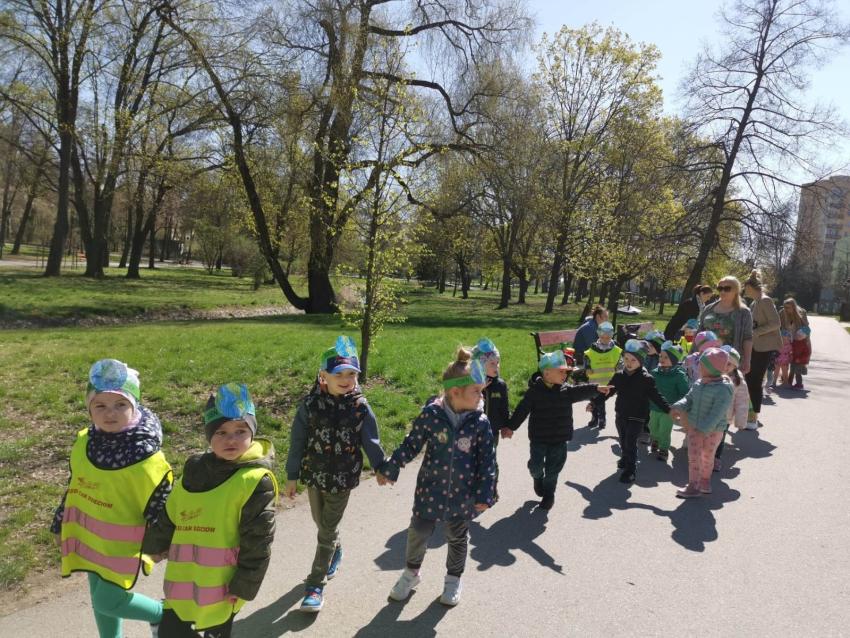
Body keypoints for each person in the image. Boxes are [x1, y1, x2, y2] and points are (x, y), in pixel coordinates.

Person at [143, 383, 277, 637]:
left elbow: (258, 541)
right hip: (185, 577)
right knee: (170, 633)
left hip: (224, 585)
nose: (231, 439)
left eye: (240, 431)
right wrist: (153, 547)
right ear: (208, 435)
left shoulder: (256, 482)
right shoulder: (195, 472)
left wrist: (244, 585)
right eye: (221, 432)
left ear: (252, 432)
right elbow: (172, 513)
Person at [54, 359, 172, 638]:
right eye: (100, 405)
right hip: (91, 538)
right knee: (98, 595)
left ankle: (165, 615)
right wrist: (60, 522)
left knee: (107, 601)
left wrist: (161, 544)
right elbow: (75, 485)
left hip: (123, 545)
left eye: (120, 404)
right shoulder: (86, 441)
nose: (110, 413)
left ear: (134, 406)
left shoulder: (144, 455)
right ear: (89, 409)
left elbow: (162, 500)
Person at [378, 347, 495, 607]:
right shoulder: (431, 415)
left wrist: (486, 492)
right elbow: (411, 444)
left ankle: (453, 579)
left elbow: (487, 461)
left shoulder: (480, 422)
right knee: (418, 531)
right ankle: (411, 573)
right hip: (430, 490)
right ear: (455, 392)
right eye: (476, 390)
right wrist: (392, 466)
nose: (481, 396)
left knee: (457, 536)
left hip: (463, 493)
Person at [285, 336, 386, 612]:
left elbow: (371, 442)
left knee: (326, 531)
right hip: (314, 475)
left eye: (351, 374)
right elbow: (297, 442)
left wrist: (380, 467)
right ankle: (335, 549)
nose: (345, 379)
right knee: (321, 524)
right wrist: (292, 475)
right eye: (338, 374)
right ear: (323, 375)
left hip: (343, 478)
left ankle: (315, 586)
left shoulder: (360, 407)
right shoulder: (310, 405)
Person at [504, 349, 608, 509]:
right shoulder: (534, 392)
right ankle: (537, 478)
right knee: (535, 466)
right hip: (539, 438)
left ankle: (549, 495)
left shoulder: (566, 390)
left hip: (559, 438)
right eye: (561, 371)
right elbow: (521, 410)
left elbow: (580, 391)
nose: (565, 375)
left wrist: (596, 389)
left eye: (566, 371)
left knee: (553, 470)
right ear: (546, 373)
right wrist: (511, 427)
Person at [591, 339, 672, 483]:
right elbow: (608, 392)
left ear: (641, 361)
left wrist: (669, 410)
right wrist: (595, 403)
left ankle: (630, 470)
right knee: (623, 439)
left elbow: (656, 396)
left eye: (633, 360)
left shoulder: (646, 379)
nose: (628, 362)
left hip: (638, 416)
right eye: (626, 358)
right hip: (621, 413)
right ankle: (625, 457)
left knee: (630, 441)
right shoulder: (619, 376)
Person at [670, 348, 734, 498]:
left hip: (713, 430)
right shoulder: (699, 383)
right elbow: (689, 398)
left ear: (713, 369)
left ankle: (705, 481)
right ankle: (694, 485)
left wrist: (704, 429)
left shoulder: (724, 389)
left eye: (703, 365)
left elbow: (717, 413)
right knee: (694, 456)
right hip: (694, 426)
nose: (699, 367)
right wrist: (678, 406)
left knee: (707, 456)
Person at [742, 269, 782, 427]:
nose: (744, 291)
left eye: (746, 288)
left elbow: (776, 323)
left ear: (752, 287)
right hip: (754, 346)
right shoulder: (754, 302)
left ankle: (753, 417)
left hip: (763, 347)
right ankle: (749, 412)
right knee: (749, 379)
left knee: (756, 381)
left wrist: (756, 332)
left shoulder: (765, 300)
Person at [472, 338, 509, 500]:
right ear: (480, 365)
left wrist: (506, 426)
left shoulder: (500, 385)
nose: (497, 367)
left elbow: (504, 408)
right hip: (472, 432)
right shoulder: (471, 384)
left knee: (490, 460)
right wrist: (478, 389)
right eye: (492, 363)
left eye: (498, 362)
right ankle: (473, 489)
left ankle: (492, 488)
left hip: (491, 431)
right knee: (473, 461)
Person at [699, 275, 754, 375]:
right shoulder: (708, 309)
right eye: (720, 288)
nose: (722, 291)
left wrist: (747, 361)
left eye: (727, 288)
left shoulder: (744, 312)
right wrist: (692, 354)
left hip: (729, 363)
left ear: (736, 291)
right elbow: (699, 333)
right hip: (707, 360)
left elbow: (748, 338)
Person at [648, 342, 689, 462]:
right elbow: (648, 387)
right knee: (652, 427)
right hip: (654, 406)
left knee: (664, 430)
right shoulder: (654, 372)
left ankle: (664, 449)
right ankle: (655, 440)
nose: (662, 359)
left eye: (666, 357)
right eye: (661, 356)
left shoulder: (679, 375)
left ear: (674, 360)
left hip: (669, 409)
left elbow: (684, 392)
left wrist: (680, 407)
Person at [713, 346, 750, 473]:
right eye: (723, 362)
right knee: (708, 434)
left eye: (729, 364)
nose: (725, 366)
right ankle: (705, 455)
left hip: (726, 416)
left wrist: (740, 420)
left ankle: (716, 457)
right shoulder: (713, 374)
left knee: (720, 437)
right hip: (711, 412)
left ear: (735, 366)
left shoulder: (738, 380)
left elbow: (742, 401)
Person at [583, 321, 622, 429]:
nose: (605, 339)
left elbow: (620, 362)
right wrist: (587, 367)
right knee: (593, 400)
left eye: (608, 337)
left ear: (611, 335)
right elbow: (587, 357)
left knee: (601, 401)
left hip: (608, 382)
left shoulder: (615, 350)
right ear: (599, 335)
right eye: (603, 337)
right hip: (594, 381)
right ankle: (594, 417)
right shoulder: (593, 349)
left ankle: (602, 418)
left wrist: (619, 368)